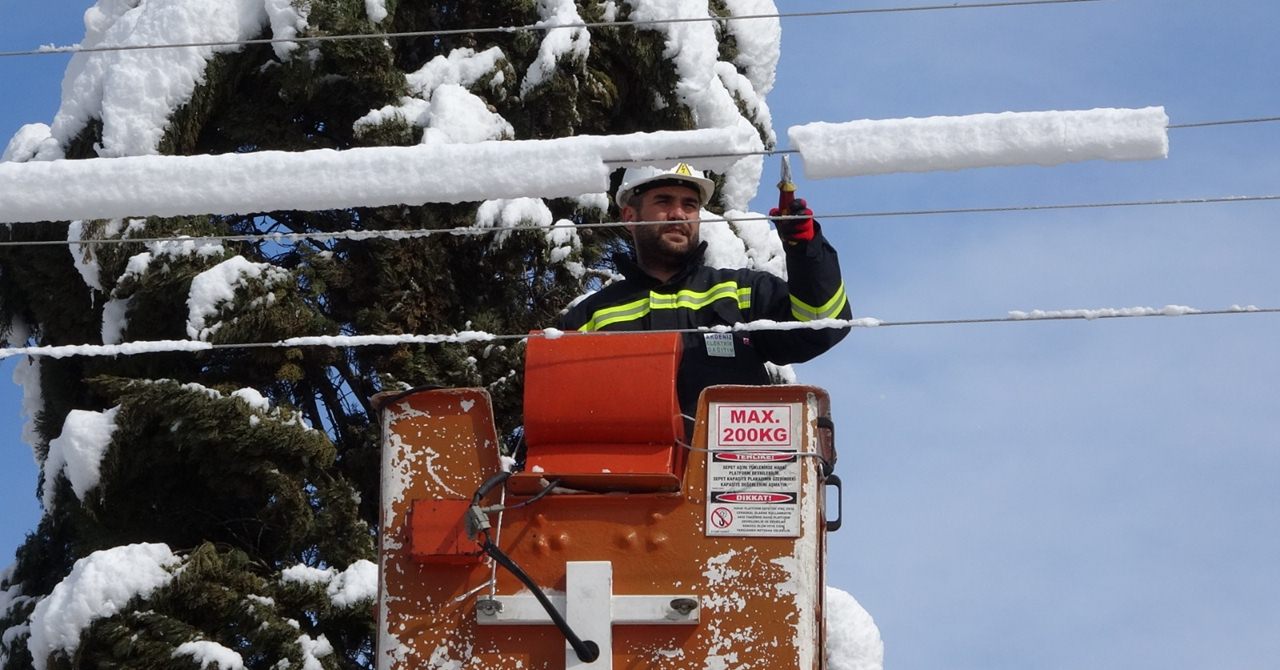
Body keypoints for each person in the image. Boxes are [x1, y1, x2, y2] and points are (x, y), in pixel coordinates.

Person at [557, 163, 851, 421]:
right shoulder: (589, 317)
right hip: (630, 479)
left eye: (689, 205)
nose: (678, 214)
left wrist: (806, 251)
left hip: (733, 477)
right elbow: (557, 410)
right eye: (663, 201)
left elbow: (821, 326)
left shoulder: (740, 291)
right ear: (630, 216)